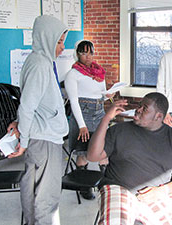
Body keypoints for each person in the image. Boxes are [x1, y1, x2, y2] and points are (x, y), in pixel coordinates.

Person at [87, 92, 172, 224]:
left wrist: (162, 191)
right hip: (119, 188)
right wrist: (106, 119)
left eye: (144, 109)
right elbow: (92, 156)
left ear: (158, 116)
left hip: (156, 193)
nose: (138, 110)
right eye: (139, 106)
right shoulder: (119, 130)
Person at [7, 15, 69, 225]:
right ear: (46, 38)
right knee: (47, 198)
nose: (62, 47)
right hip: (45, 139)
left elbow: (28, 101)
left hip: (39, 136)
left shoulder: (35, 60)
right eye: (59, 41)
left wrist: (18, 123)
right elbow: (28, 106)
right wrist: (23, 142)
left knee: (32, 189)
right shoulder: (41, 65)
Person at [64, 40, 114, 200]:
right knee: (84, 152)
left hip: (99, 112)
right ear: (77, 54)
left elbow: (100, 96)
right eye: (83, 53)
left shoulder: (99, 72)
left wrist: (108, 96)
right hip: (82, 115)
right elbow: (73, 101)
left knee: (103, 151)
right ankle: (83, 187)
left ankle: (105, 184)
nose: (88, 56)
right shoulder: (73, 74)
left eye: (90, 52)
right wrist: (82, 126)